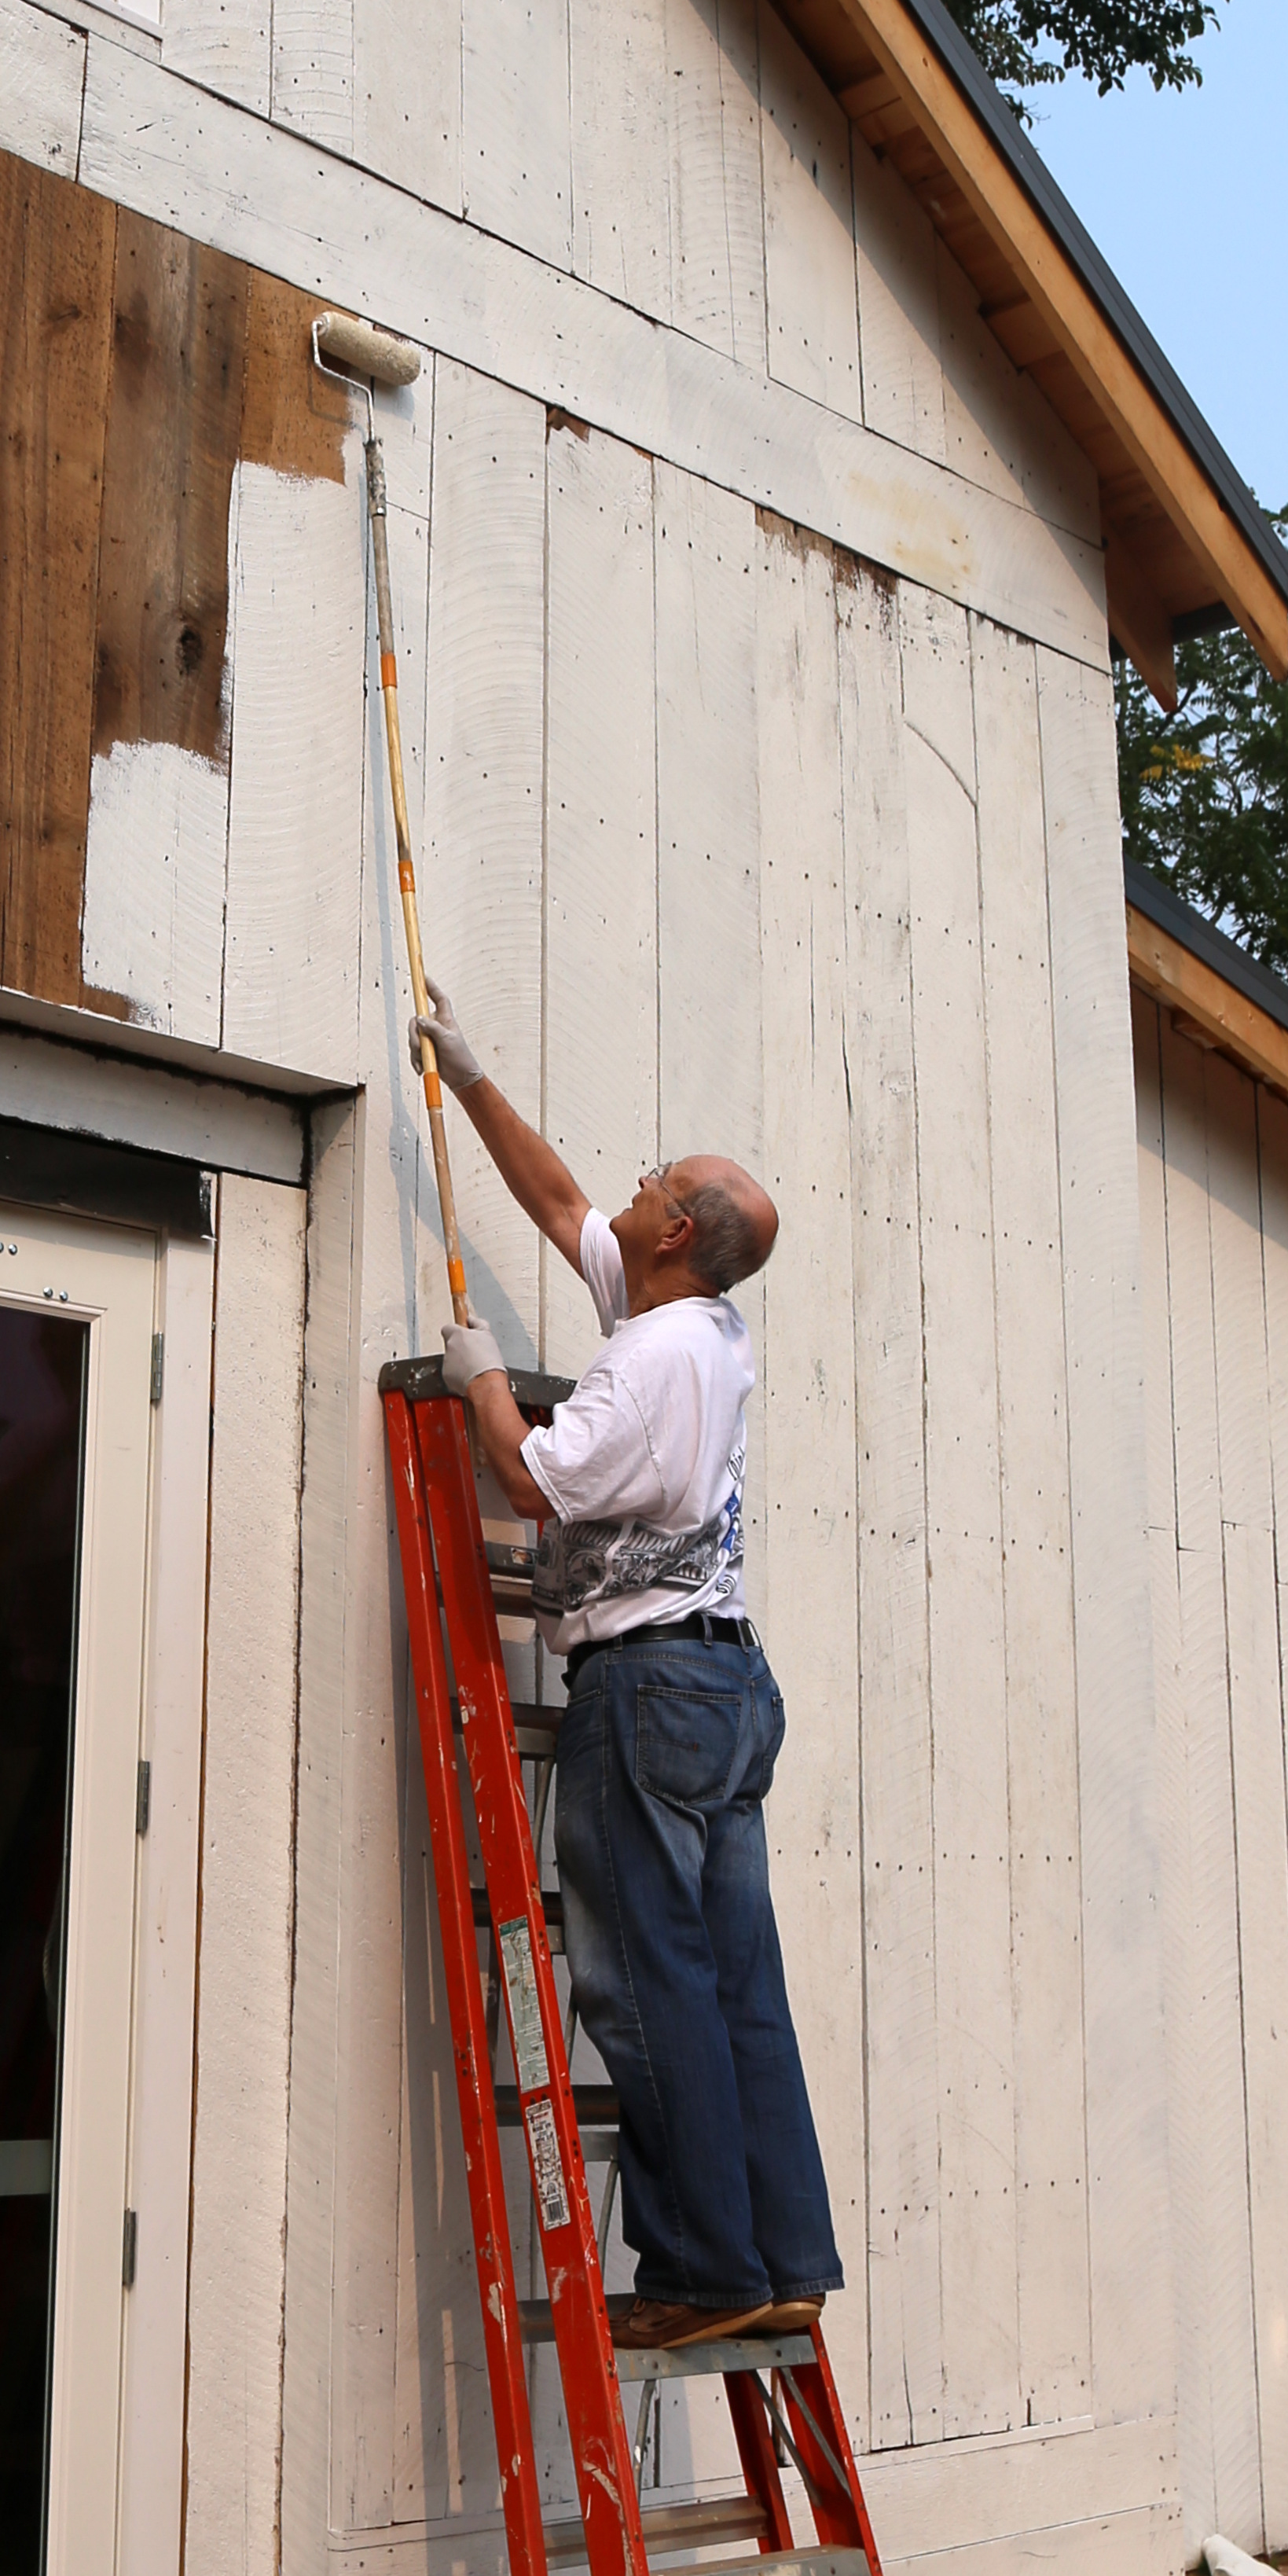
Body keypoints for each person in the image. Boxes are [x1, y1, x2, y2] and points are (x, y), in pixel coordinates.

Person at [412, 984, 841, 2353]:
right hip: (724, 1692)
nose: (635, 1182)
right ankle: (781, 2257)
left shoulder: (650, 1361)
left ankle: (702, 2270)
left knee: (646, 1986)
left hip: (648, 1696)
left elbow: (539, 1483)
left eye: (656, 1178)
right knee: (738, 1988)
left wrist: (478, 1379)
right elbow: (559, 1206)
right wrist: (471, 1077)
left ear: (678, 1234)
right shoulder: (701, 1324)